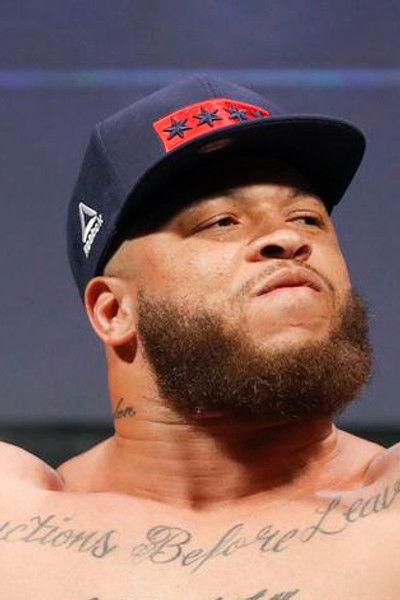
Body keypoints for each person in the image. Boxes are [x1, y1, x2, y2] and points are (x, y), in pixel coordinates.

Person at [0, 74, 399, 600]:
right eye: (221, 221)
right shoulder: (15, 519)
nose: (288, 238)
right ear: (113, 310)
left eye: (307, 218)